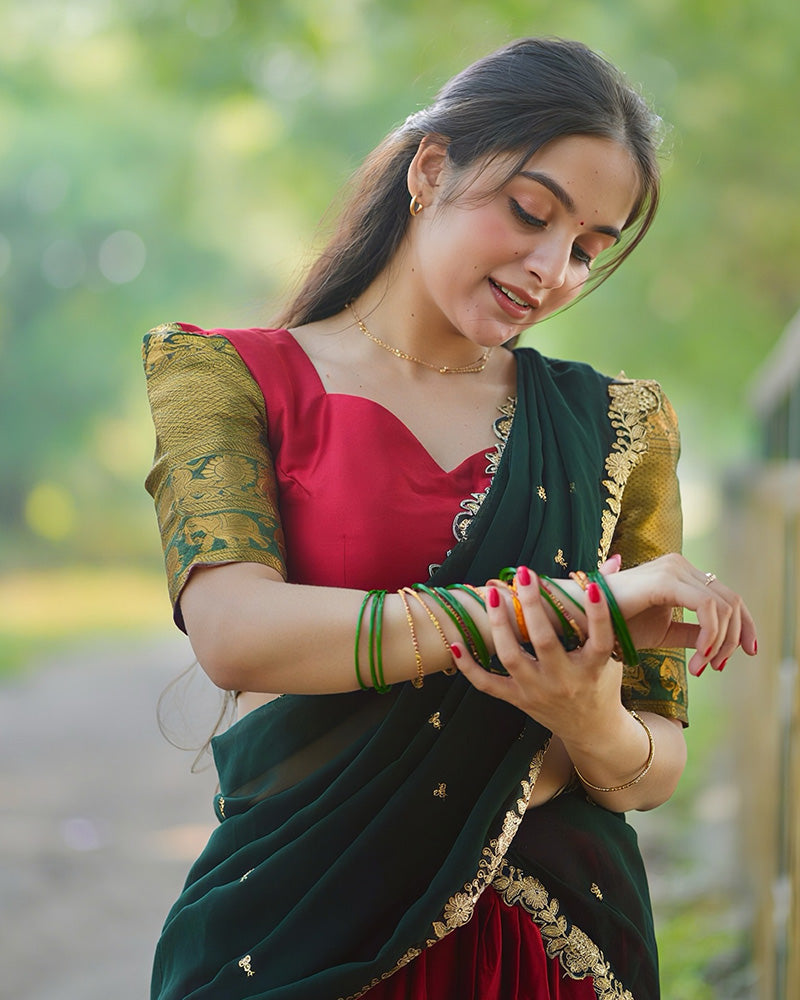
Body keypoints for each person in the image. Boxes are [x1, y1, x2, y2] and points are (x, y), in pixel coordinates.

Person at [142, 37, 756, 1000]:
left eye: (589, 249)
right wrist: (564, 605)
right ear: (431, 170)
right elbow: (235, 633)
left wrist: (587, 715)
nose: (552, 268)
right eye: (531, 212)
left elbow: (650, 765)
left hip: (547, 947)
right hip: (304, 927)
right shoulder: (231, 379)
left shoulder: (620, 427)